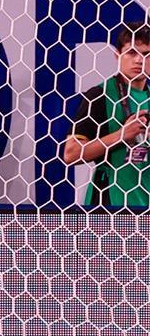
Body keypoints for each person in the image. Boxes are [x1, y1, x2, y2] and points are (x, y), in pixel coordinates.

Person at [62, 23, 150, 207]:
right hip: (110, 203)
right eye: (132, 52)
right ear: (117, 55)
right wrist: (122, 135)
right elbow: (71, 154)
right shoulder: (99, 96)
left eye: (146, 54)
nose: (139, 61)